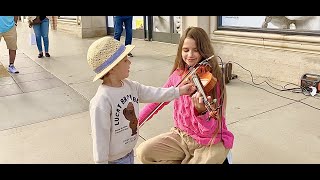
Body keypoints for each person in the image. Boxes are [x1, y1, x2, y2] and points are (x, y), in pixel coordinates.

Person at [86, 36, 196, 164]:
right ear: (112, 68)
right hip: (113, 161)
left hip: (128, 154)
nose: (130, 62)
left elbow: (155, 93)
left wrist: (180, 91)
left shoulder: (131, 86)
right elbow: (100, 140)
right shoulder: (101, 101)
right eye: (125, 60)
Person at [136, 27, 234, 164]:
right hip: (182, 136)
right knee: (144, 152)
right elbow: (157, 102)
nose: (190, 55)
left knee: (210, 157)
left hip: (209, 141)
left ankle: (222, 158)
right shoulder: (177, 76)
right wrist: (136, 123)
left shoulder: (212, 80)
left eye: (196, 50)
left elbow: (211, 129)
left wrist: (201, 112)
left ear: (204, 51)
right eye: (186, 50)